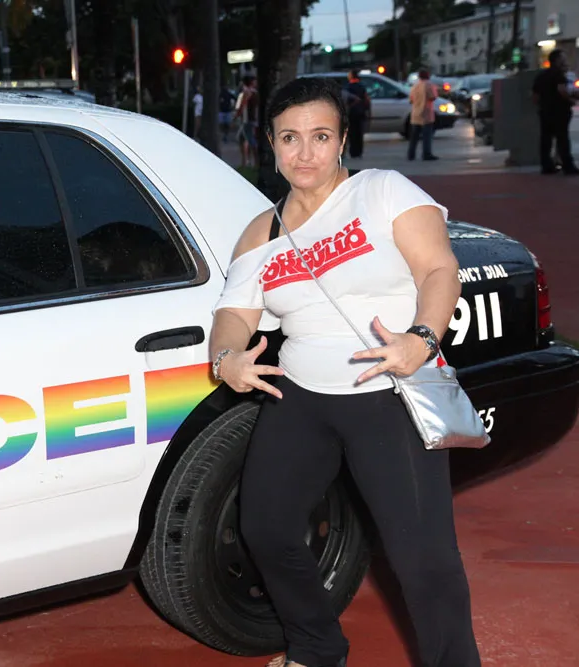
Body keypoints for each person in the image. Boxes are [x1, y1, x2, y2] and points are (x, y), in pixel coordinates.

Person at [208, 76, 480, 667]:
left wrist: (421, 339)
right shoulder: (262, 231)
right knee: (268, 529)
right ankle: (317, 646)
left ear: (342, 140)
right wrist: (226, 359)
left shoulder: (382, 191)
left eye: (320, 136)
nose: (305, 152)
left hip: (388, 389)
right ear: (271, 144)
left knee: (423, 560)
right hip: (300, 397)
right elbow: (233, 314)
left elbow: (440, 270)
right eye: (290, 137)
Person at [531, 49, 578, 175]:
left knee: (546, 139)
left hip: (545, 111)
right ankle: (568, 166)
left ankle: (546, 165)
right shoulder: (558, 75)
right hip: (560, 111)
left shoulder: (541, 76)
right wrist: (571, 100)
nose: (565, 61)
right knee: (562, 139)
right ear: (557, 60)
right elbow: (562, 91)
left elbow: (535, 97)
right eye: (563, 58)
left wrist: (541, 105)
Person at [408, 68, 439, 160]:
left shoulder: (415, 86)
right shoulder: (429, 85)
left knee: (414, 136)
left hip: (415, 113)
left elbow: (411, 100)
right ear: (427, 75)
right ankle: (426, 154)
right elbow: (433, 97)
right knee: (427, 136)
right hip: (426, 113)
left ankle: (411, 154)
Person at [343, 69, 371, 158]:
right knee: (359, 133)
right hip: (360, 112)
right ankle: (359, 151)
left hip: (351, 113)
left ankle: (353, 151)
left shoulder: (347, 87)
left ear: (351, 76)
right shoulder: (362, 86)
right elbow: (367, 99)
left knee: (352, 133)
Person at [235, 76, 259, 168]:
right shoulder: (254, 92)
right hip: (250, 119)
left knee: (250, 139)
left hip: (247, 119)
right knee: (242, 138)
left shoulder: (247, 92)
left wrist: (237, 115)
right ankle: (245, 161)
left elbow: (242, 105)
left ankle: (254, 161)